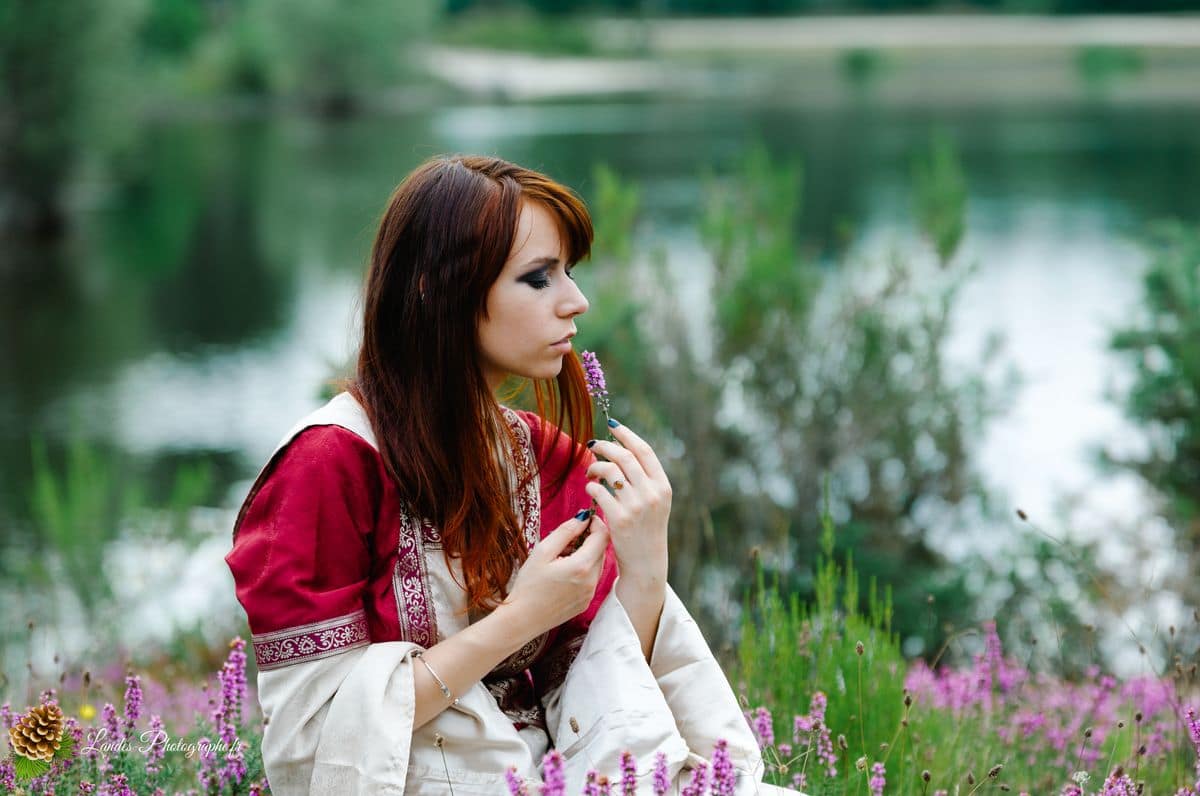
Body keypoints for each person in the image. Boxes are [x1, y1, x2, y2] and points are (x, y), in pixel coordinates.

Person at [225, 155, 802, 795]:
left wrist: (645, 568)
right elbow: (314, 741)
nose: (576, 301)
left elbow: (596, 700)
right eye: (538, 278)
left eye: (568, 273)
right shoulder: (330, 463)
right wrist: (520, 617)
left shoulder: (543, 458)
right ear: (437, 290)